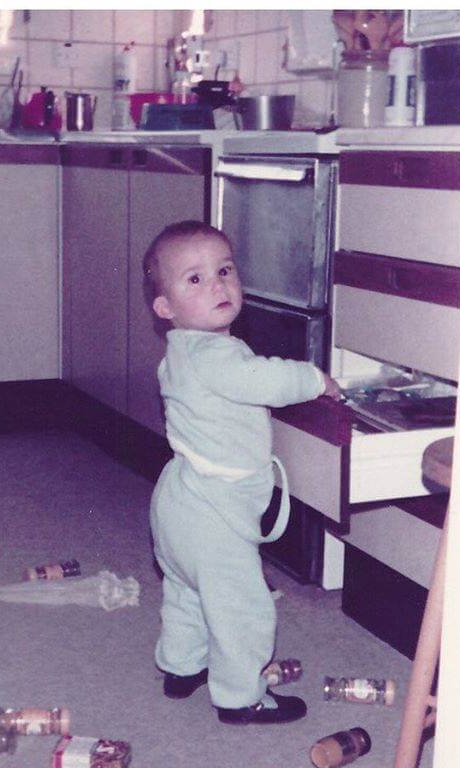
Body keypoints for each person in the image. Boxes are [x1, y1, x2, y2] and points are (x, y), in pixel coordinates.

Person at [143, 220, 342, 725]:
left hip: (180, 500)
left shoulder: (181, 351)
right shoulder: (216, 353)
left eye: (225, 270)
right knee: (241, 608)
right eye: (195, 279)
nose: (217, 285)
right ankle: (239, 696)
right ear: (164, 308)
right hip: (216, 510)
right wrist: (313, 378)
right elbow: (260, 380)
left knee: (187, 590)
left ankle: (182, 666)